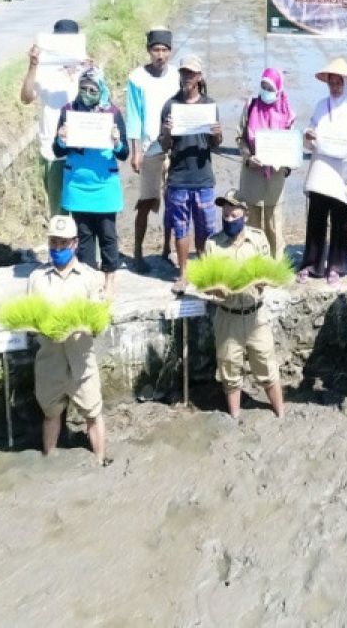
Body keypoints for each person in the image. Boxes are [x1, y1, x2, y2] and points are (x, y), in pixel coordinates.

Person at [27, 214, 110, 466]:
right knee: (50, 413)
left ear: (74, 243)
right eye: (53, 242)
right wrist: (41, 327)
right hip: (49, 360)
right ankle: (49, 460)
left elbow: (100, 323)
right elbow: (30, 322)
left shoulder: (90, 277)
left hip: (81, 360)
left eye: (63, 243)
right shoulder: (36, 279)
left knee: (93, 412)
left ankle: (100, 460)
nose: (58, 248)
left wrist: (83, 327)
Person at [204, 189, 285, 419]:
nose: (229, 219)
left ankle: (280, 414)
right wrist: (215, 289)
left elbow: (270, 273)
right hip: (227, 317)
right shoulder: (213, 244)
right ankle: (235, 416)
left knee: (267, 365)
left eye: (233, 215)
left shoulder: (258, 240)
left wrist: (264, 281)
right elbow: (205, 284)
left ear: (245, 215)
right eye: (225, 215)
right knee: (229, 371)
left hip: (256, 317)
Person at [53, 67, 129, 294]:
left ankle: (109, 283)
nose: (87, 93)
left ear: (101, 89)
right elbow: (57, 151)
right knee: (84, 237)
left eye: (92, 89)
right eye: (83, 88)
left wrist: (116, 142)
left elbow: (123, 153)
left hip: (105, 185)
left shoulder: (112, 113)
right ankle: (88, 282)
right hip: (77, 185)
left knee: (107, 235)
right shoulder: (69, 111)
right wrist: (62, 140)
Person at [298, 57, 347, 285]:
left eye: (339, 83)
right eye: (332, 82)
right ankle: (311, 264)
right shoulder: (321, 105)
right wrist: (308, 135)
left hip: (342, 174)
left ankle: (336, 266)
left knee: (340, 220)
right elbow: (310, 129)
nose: (335, 87)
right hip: (321, 170)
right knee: (316, 217)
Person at [159, 55, 222, 294]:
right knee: (181, 227)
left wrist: (217, 133)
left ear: (199, 77)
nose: (187, 77)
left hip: (203, 176)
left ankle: (205, 271)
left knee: (205, 229)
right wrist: (166, 132)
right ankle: (183, 273)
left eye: (191, 74)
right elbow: (164, 146)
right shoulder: (170, 106)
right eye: (183, 73)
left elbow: (216, 144)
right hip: (178, 177)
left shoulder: (210, 105)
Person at [125, 27, 181, 270]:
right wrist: (135, 151)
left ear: (170, 52)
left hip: (175, 147)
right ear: (148, 51)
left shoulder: (177, 76)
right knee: (146, 201)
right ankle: (137, 253)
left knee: (173, 200)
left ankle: (167, 249)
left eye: (165, 50)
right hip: (150, 147)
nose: (160, 55)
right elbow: (134, 117)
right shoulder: (137, 78)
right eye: (156, 49)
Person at [20, 18, 83, 217]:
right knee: (59, 211)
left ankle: (85, 249)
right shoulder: (44, 68)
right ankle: (62, 248)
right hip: (52, 151)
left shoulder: (85, 68)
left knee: (83, 212)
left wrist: (87, 70)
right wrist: (32, 66)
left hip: (83, 150)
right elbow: (26, 97)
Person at [238, 67, 295, 259]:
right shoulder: (251, 106)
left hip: (275, 179)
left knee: (273, 225)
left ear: (278, 88)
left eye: (270, 87)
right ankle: (254, 264)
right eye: (263, 86)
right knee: (252, 224)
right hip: (252, 175)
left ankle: (276, 267)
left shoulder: (287, 113)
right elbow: (240, 138)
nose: (265, 91)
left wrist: (285, 164)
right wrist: (248, 157)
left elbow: (292, 145)